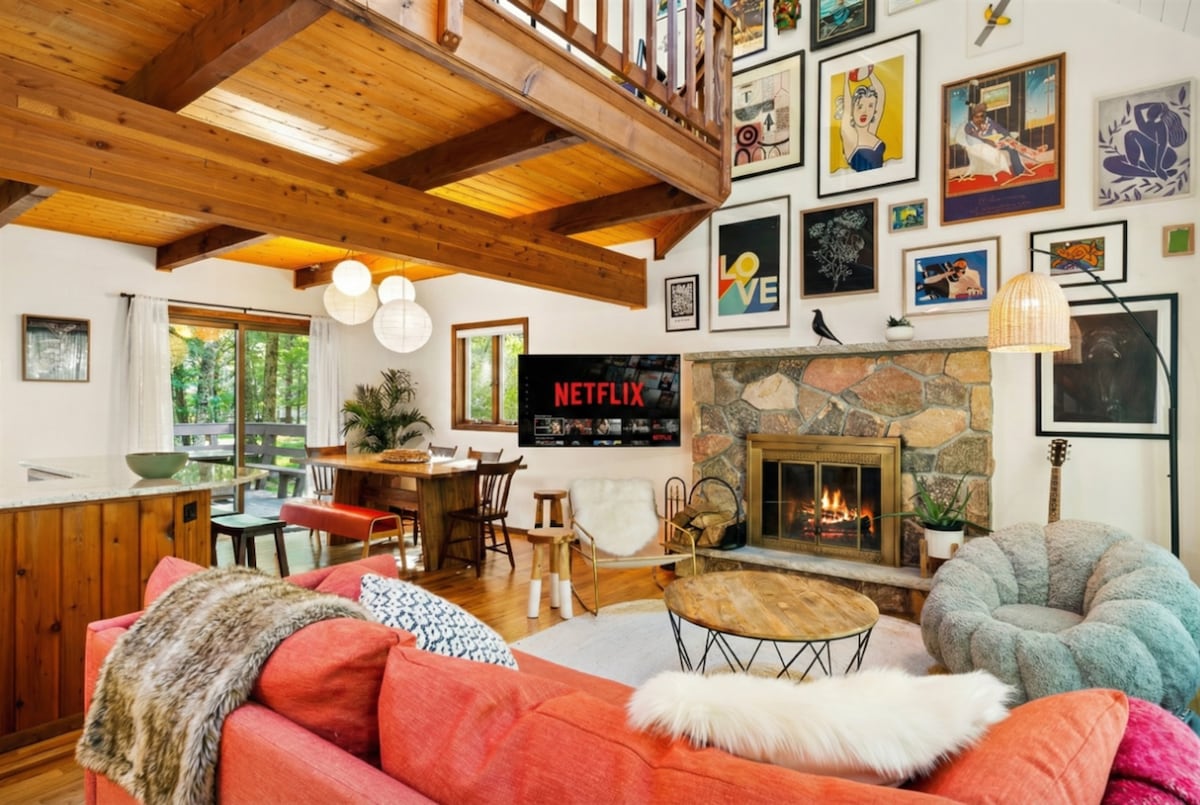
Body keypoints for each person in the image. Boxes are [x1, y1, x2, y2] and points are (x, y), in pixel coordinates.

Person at [1102, 100, 1187, 181]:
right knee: (1109, 161)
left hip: (1166, 158)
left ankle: (1137, 170)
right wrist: (1160, 105)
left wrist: (1158, 168)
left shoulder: (1161, 125)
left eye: (1153, 113)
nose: (1149, 115)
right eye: (1150, 111)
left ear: (1158, 116)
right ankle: (1135, 169)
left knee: (1131, 134)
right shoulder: (1145, 125)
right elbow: (1137, 108)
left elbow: (1162, 146)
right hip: (1154, 158)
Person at [962, 102, 1033, 178]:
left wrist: (1007, 136)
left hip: (995, 143)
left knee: (1012, 146)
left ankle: (1022, 167)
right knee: (1011, 147)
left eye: (982, 116)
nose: (980, 119)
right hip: (983, 147)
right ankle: (1022, 168)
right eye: (977, 117)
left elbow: (1000, 129)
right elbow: (976, 137)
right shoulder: (969, 126)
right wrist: (987, 140)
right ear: (973, 117)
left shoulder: (988, 121)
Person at [839, 66, 885, 172]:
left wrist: (869, 73)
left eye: (870, 106)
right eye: (860, 106)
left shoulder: (871, 130)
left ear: (874, 110)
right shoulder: (851, 137)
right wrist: (846, 78)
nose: (865, 111)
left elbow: (880, 94)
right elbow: (847, 106)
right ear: (852, 110)